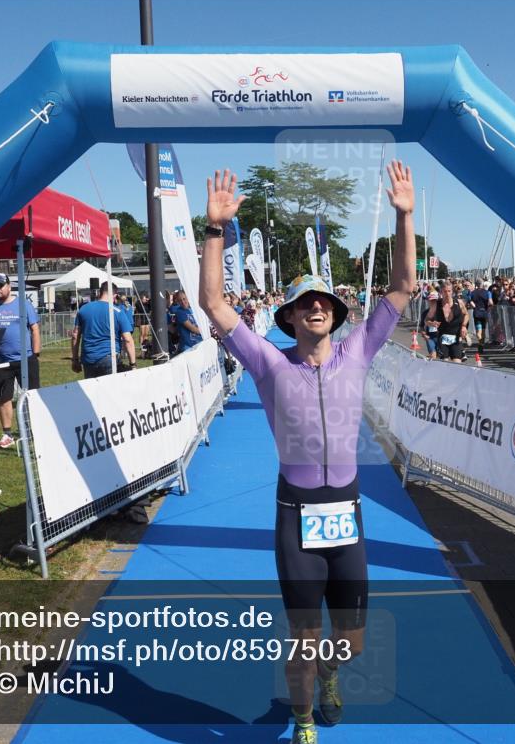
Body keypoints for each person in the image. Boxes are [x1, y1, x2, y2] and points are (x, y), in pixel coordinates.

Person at [198, 163, 415, 744]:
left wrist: (403, 215)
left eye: (323, 299)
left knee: (350, 639)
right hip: (296, 513)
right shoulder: (269, 362)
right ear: (289, 317)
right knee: (303, 635)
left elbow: (401, 289)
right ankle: (301, 721)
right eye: (304, 302)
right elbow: (215, 305)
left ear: (334, 314)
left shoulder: (357, 353)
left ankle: (331, 675)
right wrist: (215, 230)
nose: (315, 305)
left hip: (346, 511)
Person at [0, 272, 41, 449]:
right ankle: (7, 434)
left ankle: (34, 430)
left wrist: (35, 354)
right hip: (1, 362)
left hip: (26, 359)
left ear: (9, 286)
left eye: (0, 285)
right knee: (3, 399)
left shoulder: (23, 305)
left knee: (32, 396)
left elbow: (35, 329)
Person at [71, 281, 138, 378]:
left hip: (88, 359)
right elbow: (128, 340)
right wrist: (133, 364)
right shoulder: (118, 312)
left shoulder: (83, 309)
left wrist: (75, 359)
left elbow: (75, 336)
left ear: (99, 293)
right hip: (109, 358)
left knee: (92, 392)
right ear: (115, 296)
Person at [425, 280, 469, 362]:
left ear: (452, 291)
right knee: (444, 364)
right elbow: (426, 320)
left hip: (456, 338)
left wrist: (463, 326)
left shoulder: (459, 303)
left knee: (457, 364)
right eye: (445, 291)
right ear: (441, 292)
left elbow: (466, 315)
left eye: (449, 291)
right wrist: (431, 323)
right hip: (442, 338)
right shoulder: (436, 305)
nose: (447, 294)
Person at [469, 279, 493, 350]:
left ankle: (480, 343)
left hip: (477, 313)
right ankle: (482, 343)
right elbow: (491, 302)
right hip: (484, 312)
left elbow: (470, 301)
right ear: (482, 284)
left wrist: (474, 306)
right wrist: (489, 307)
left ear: (476, 285)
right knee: (483, 330)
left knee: (478, 330)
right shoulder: (488, 292)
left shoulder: (472, 293)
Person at [420, 290, 439, 359]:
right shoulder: (425, 313)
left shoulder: (442, 312)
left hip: (441, 337)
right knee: (433, 356)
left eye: (435, 300)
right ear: (428, 301)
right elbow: (421, 326)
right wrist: (424, 334)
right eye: (431, 300)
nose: (433, 302)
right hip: (430, 337)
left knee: (442, 358)